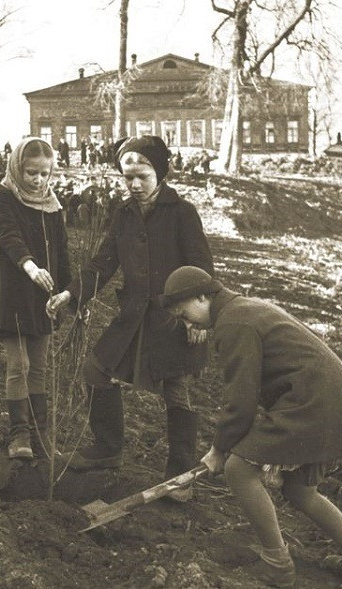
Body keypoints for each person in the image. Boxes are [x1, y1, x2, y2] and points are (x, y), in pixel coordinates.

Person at [158, 266, 342, 589]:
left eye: (186, 314)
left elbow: (241, 401)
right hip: (332, 397)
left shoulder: (234, 323)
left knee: (238, 469)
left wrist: (218, 450)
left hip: (314, 401)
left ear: (202, 295)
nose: (189, 324)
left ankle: (277, 566)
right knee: (300, 490)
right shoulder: (242, 309)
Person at [46, 135, 213, 492]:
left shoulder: (182, 212)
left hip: (175, 319)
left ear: (160, 175)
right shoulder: (123, 215)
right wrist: (71, 294)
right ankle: (108, 448)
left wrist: (201, 318)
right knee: (95, 370)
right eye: (128, 177)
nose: (135, 185)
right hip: (135, 316)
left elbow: (202, 266)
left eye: (143, 177)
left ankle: (180, 475)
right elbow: (103, 263)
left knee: (177, 392)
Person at [0, 137, 71, 459]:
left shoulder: (52, 204)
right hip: (13, 292)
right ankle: (19, 435)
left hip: (43, 296)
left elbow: (61, 252)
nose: (38, 180)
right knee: (19, 365)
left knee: (40, 367)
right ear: (19, 168)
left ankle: (41, 434)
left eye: (44, 173)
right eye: (32, 172)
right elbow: (7, 235)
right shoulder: (3, 197)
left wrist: (68, 293)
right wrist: (30, 266)